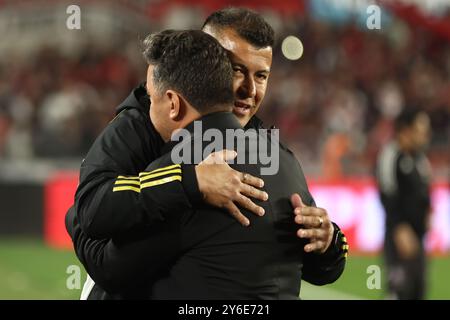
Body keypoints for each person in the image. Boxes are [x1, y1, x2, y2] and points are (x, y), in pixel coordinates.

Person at [66, 8, 348, 299]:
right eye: (236, 70)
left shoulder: (269, 148)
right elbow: (95, 211)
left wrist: (328, 243)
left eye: (261, 75)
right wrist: (189, 180)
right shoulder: (143, 121)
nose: (249, 90)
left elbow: (315, 265)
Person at [376, 108, 432, 300]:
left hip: (419, 238)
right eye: (421, 129)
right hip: (398, 238)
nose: (426, 134)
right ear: (405, 130)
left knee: (418, 291)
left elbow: (424, 193)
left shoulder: (420, 159)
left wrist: (428, 214)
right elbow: (387, 193)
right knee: (399, 292)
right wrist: (399, 227)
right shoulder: (390, 155)